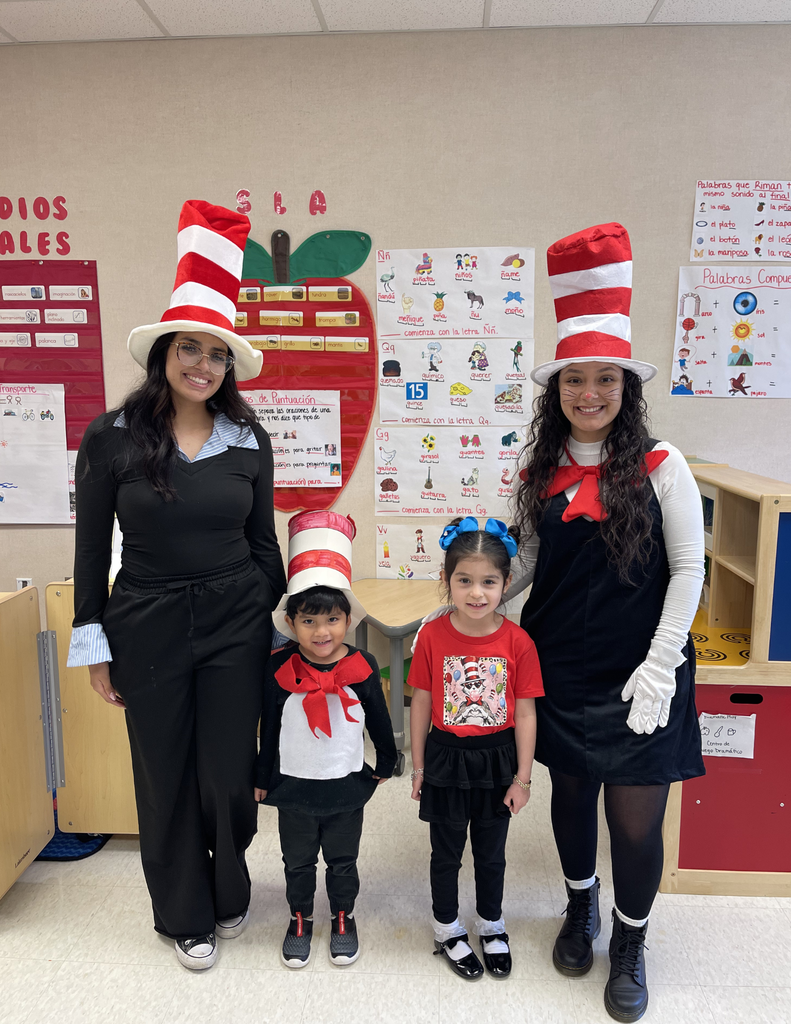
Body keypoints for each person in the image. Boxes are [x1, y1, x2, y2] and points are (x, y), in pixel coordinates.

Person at [67, 200, 287, 971]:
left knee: (228, 772)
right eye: (189, 348)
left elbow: (265, 544)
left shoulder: (247, 438)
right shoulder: (112, 437)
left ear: (229, 366)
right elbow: (91, 550)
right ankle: (183, 913)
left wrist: (277, 625)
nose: (203, 364)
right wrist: (95, 645)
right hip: (147, 619)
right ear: (163, 351)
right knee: (162, 771)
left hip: (237, 616)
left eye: (217, 354)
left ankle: (228, 890)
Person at [512, 223, 705, 1021]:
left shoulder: (662, 468)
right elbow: (521, 561)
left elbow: (688, 568)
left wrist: (660, 663)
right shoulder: (534, 470)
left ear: (626, 389)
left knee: (633, 819)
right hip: (557, 665)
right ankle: (578, 905)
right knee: (569, 797)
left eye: (604, 380)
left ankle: (629, 938)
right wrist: (451, 604)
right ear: (554, 393)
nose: (587, 394)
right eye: (572, 382)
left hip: (641, 674)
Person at [255, 510, 397, 968]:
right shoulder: (279, 673)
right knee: (297, 860)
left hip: (344, 784)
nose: (322, 632)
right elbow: (269, 729)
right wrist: (261, 776)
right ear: (291, 623)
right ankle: (299, 916)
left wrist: (387, 763)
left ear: (348, 620)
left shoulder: (362, 668)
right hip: (293, 786)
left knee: (342, 859)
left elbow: (379, 719)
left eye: (333, 619)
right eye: (310, 621)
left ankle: (342, 915)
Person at [408, 517, 543, 981]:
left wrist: (522, 779)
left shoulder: (519, 641)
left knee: (491, 852)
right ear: (446, 580)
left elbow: (525, 714)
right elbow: (422, 702)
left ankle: (491, 924)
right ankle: (446, 928)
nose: (476, 593)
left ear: (507, 583)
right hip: (445, 758)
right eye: (464, 580)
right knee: (445, 852)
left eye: (488, 581)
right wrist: (419, 767)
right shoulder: (430, 636)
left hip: (497, 760)